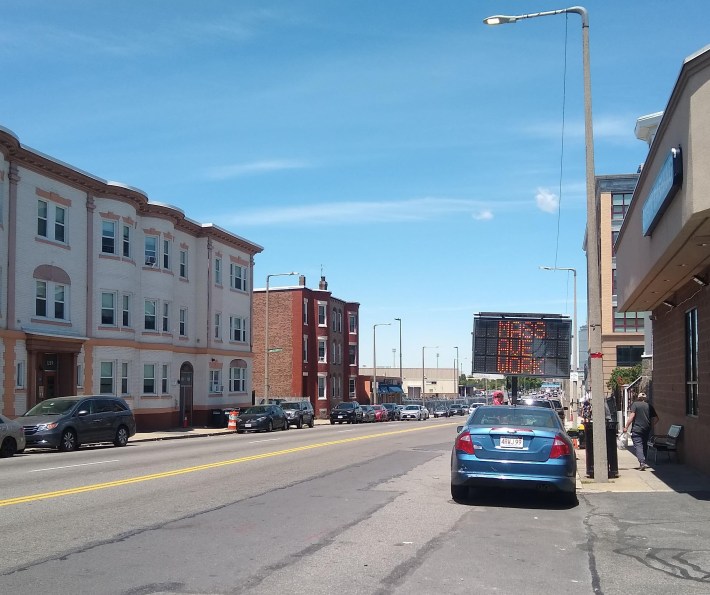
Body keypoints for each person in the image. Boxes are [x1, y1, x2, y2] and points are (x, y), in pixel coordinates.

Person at [623, 392, 658, 471]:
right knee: (644, 445)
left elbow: (632, 416)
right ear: (645, 399)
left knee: (638, 445)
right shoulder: (649, 406)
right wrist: (651, 426)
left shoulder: (635, 405)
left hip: (637, 429)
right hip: (646, 429)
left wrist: (626, 427)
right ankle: (644, 461)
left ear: (638, 398)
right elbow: (656, 419)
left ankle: (642, 462)